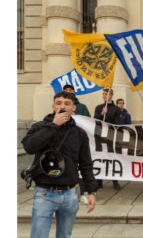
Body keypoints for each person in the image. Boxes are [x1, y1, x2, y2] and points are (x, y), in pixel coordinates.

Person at [22, 91, 97, 238]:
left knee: (65, 235)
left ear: (73, 108)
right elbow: (29, 147)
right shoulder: (40, 127)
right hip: (45, 193)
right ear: (53, 105)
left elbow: (86, 164)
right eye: (58, 103)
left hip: (69, 194)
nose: (62, 106)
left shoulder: (79, 134)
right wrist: (54, 125)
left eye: (67, 104)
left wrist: (92, 191)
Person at [63, 84, 91, 204]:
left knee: (82, 167)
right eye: (66, 90)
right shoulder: (60, 107)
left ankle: (84, 192)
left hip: (79, 142)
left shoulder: (82, 107)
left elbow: (89, 121)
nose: (68, 92)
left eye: (70, 90)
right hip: (64, 144)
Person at [94, 88, 121, 190]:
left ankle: (115, 181)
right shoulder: (98, 107)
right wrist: (101, 114)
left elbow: (117, 123)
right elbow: (95, 120)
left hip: (111, 136)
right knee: (100, 157)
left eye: (106, 94)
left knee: (112, 158)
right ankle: (99, 181)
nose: (104, 96)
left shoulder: (116, 109)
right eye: (103, 94)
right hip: (100, 136)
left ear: (111, 95)